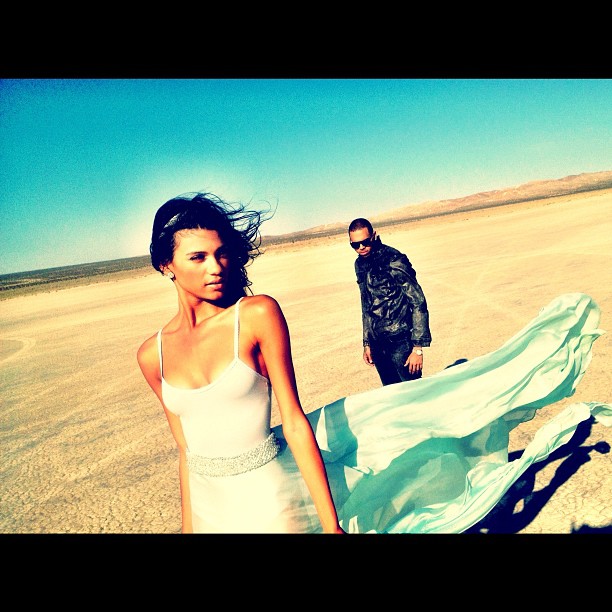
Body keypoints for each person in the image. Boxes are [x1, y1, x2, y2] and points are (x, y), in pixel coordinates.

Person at [137, 192, 344, 533]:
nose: (215, 267)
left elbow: (293, 422)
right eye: (198, 257)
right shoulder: (151, 355)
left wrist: (331, 527)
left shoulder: (256, 315)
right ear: (166, 265)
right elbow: (186, 452)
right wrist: (189, 529)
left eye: (221, 254)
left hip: (270, 502)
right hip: (209, 512)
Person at [348, 218, 432, 385]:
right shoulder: (359, 264)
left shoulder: (393, 259)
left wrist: (417, 348)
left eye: (365, 242)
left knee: (414, 393)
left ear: (374, 236)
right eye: (355, 245)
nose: (361, 247)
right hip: (378, 345)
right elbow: (366, 306)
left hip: (400, 342)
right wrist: (367, 343)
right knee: (391, 394)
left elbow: (418, 301)